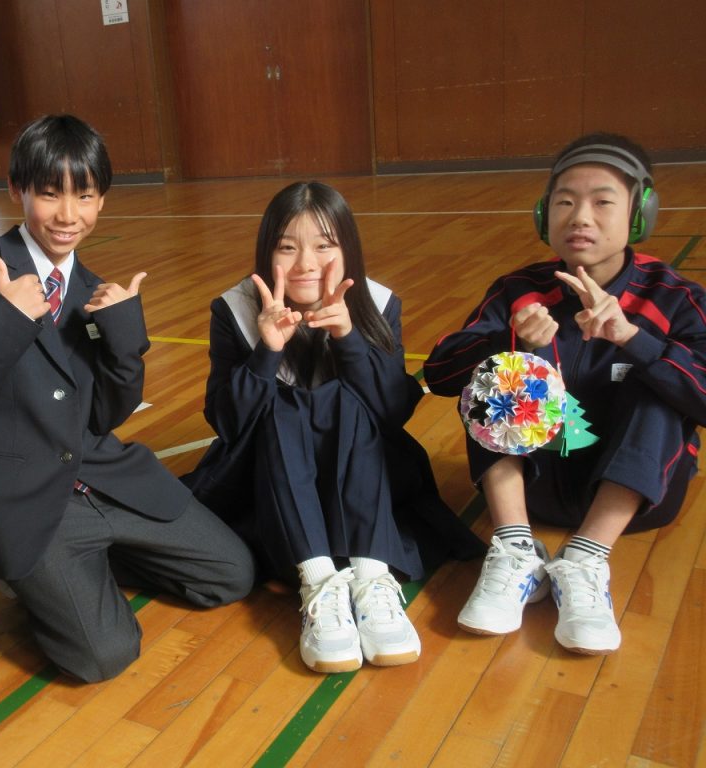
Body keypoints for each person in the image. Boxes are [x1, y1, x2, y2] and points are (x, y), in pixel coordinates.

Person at [0, 114, 255, 683]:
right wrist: (5, 321)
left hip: (101, 477)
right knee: (103, 657)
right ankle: (39, 577)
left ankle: (83, 567)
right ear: (17, 189)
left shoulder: (92, 288)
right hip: (23, 496)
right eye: (50, 194)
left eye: (85, 196)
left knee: (231, 574)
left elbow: (106, 414)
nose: (69, 215)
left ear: (102, 200)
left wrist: (124, 336)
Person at [184, 182, 485, 673]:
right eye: (287, 247)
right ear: (266, 252)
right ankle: (318, 581)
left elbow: (391, 410)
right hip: (271, 479)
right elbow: (228, 423)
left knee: (348, 396)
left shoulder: (376, 302)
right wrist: (267, 351)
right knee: (282, 405)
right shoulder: (236, 308)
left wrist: (348, 337)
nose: (305, 263)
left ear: (349, 249)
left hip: (362, 471)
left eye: (324, 245)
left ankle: (371, 576)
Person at [424, 132, 705, 655]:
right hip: (536, 489)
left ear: (639, 214)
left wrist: (635, 341)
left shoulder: (675, 297)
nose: (580, 217)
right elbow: (440, 372)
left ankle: (586, 557)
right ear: (543, 213)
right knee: (504, 368)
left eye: (602, 202)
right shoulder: (517, 290)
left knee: (659, 381)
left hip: (637, 497)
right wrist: (509, 341)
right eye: (565, 202)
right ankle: (515, 551)